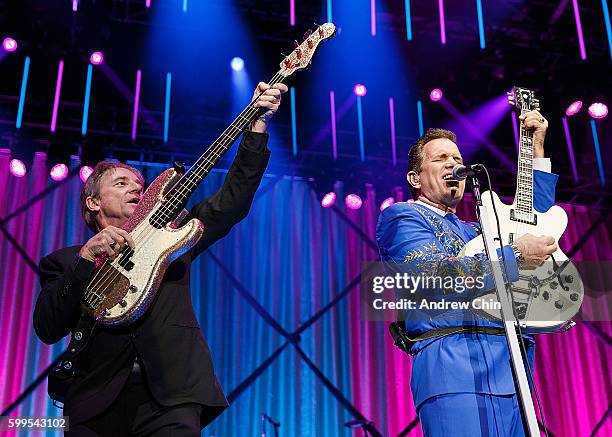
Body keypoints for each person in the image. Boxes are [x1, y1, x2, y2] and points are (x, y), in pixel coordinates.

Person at [33, 82, 288, 436]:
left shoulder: (174, 239)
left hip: (172, 397)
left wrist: (256, 128)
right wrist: (86, 258)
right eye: (121, 183)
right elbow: (47, 328)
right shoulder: (62, 262)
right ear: (93, 202)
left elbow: (232, 200)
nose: (135, 188)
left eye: (139, 183)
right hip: (95, 402)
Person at [376, 111, 558, 436]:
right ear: (415, 179)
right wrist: (516, 254)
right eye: (440, 158)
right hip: (453, 365)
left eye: (457, 158)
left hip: (512, 365)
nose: (452, 164)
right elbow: (436, 277)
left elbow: (535, 222)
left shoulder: (479, 229)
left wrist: (536, 148)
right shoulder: (403, 217)